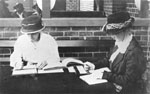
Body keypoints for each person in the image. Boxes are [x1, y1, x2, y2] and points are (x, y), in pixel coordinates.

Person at [83, 11, 147, 94]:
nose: (112, 36)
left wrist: (105, 75)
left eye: (115, 33)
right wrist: (94, 65)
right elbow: (109, 60)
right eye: (111, 33)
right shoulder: (120, 43)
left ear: (126, 30)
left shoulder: (134, 51)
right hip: (115, 86)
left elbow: (128, 80)